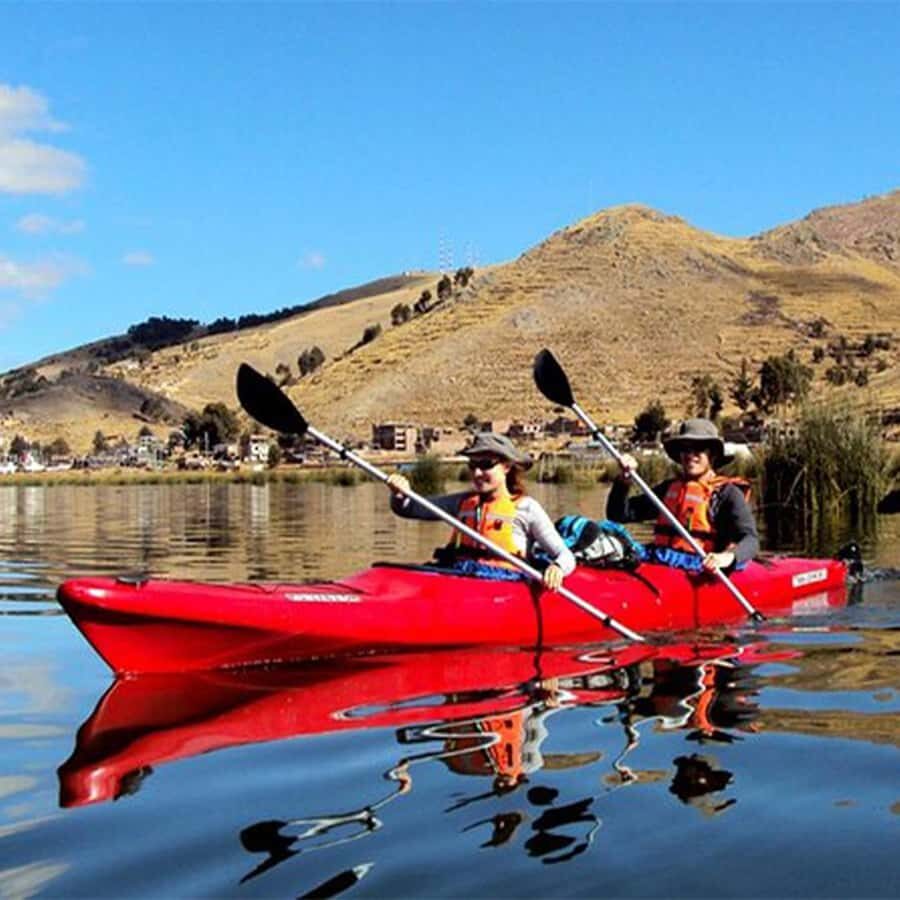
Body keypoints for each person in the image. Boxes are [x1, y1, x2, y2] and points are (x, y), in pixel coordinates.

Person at [386, 432, 575, 590]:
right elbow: (409, 509)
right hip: (461, 576)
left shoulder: (526, 508)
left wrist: (557, 568)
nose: (476, 473)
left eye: (485, 465)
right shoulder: (462, 503)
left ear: (506, 466)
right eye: (472, 465)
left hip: (504, 585)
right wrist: (399, 493)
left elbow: (565, 556)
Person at [606, 418, 759, 573]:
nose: (690, 455)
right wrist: (623, 481)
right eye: (685, 449)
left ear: (712, 454)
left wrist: (728, 557)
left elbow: (751, 540)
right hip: (661, 562)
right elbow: (618, 514)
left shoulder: (727, 494)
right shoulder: (668, 489)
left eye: (698, 448)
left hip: (700, 567)